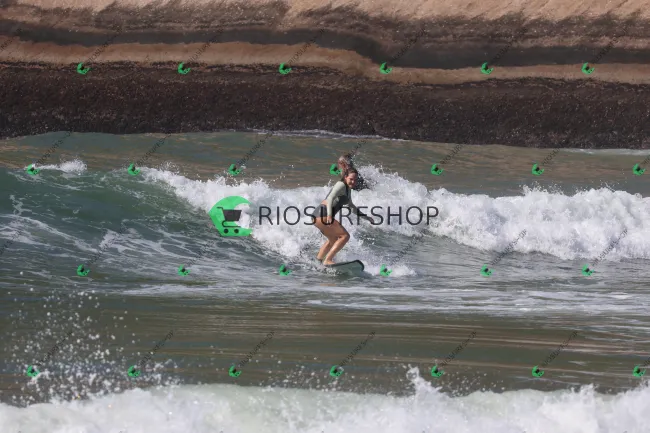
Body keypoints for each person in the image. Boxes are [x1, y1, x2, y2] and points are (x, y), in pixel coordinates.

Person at [310, 168, 374, 265]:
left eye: (355, 180)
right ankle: (327, 260)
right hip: (322, 214)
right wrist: (330, 215)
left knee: (333, 240)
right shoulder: (341, 185)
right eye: (351, 179)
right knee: (345, 236)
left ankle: (318, 261)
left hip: (317, 217)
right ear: (345, 177)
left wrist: (366, 218)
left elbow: (352, 207)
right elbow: (330, 198)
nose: (353, 182)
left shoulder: (348, 189)